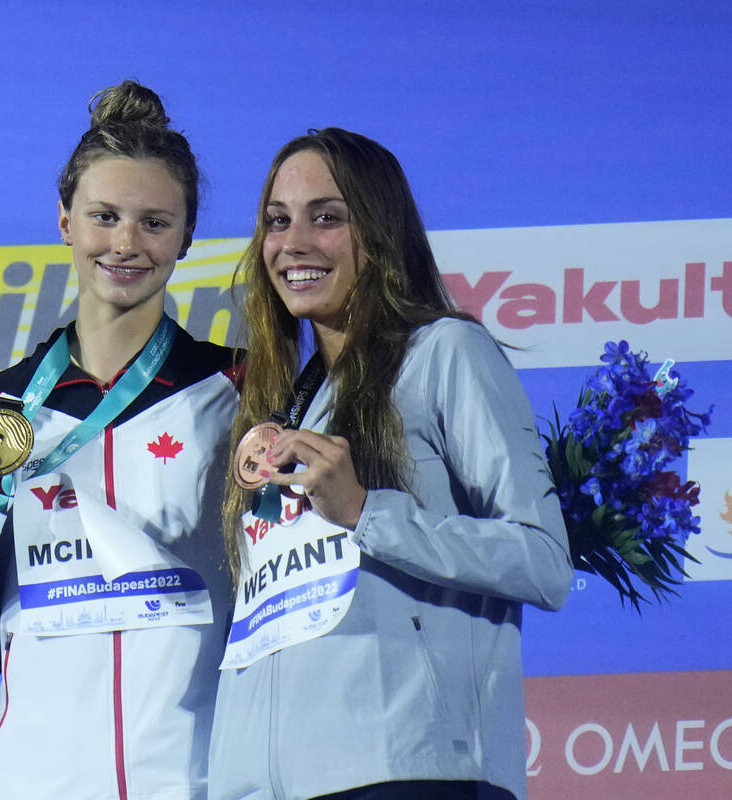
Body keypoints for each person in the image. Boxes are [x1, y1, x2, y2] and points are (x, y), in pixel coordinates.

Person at [208, 128, 573, 800]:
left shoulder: (445, 353)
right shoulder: (289, 403)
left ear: (379, 231)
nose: (293, 243)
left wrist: (367, 512)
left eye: (327, 217)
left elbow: (545, 561)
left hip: (408, 770)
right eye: (277, 221)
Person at [0, 81, 239, 799]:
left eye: (155, 223)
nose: (126, 243)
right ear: (64, 220)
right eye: (105, 217)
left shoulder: (239, 393)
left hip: (200, 777)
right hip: (35, 779)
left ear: (187, 236)